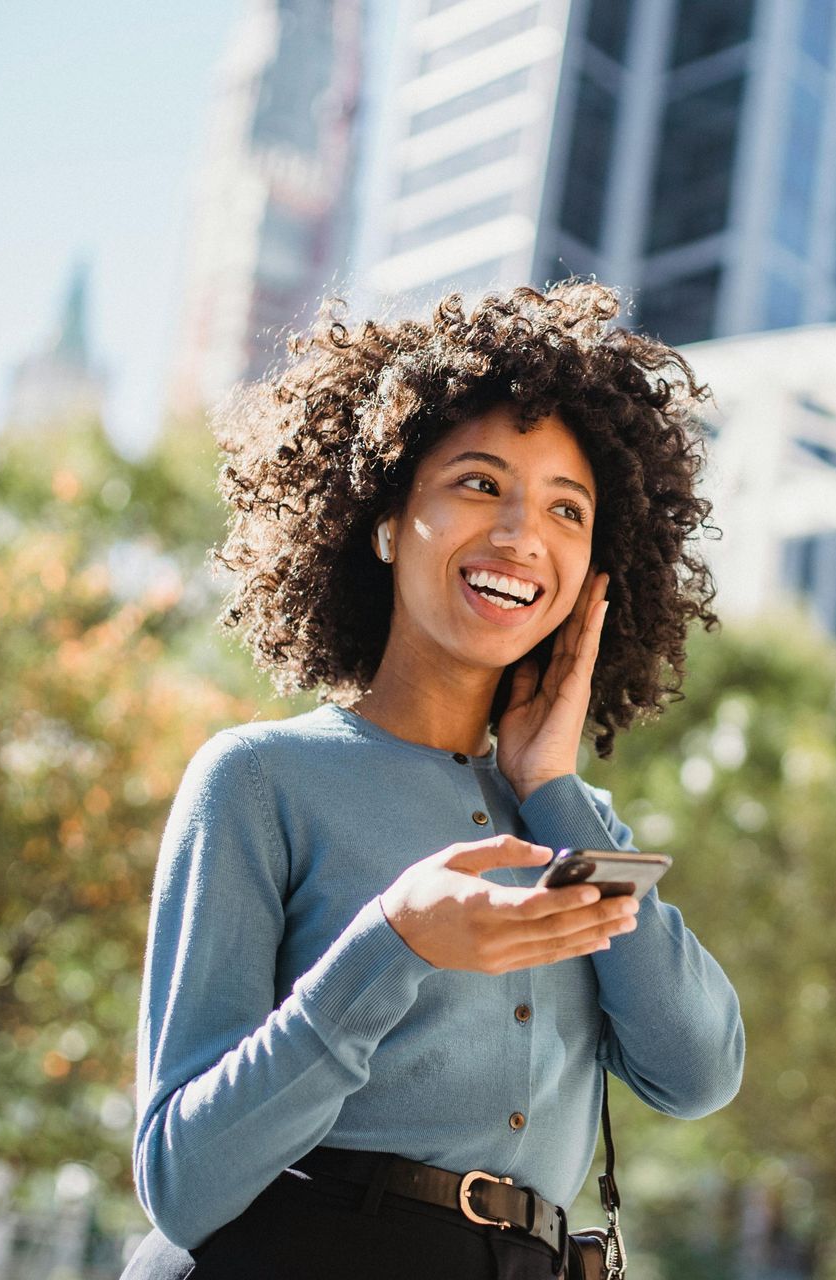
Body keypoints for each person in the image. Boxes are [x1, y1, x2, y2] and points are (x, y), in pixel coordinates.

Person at [121, 283, 745, 1279]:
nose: (519, 534)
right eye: (479, 483)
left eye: (566, 507)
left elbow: (700, 1070)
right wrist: (393, 940)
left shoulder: (581, 829)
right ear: (383, 516)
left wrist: (552, 786)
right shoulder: (256, 778)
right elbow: (183, 1180)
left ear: (596, 569)